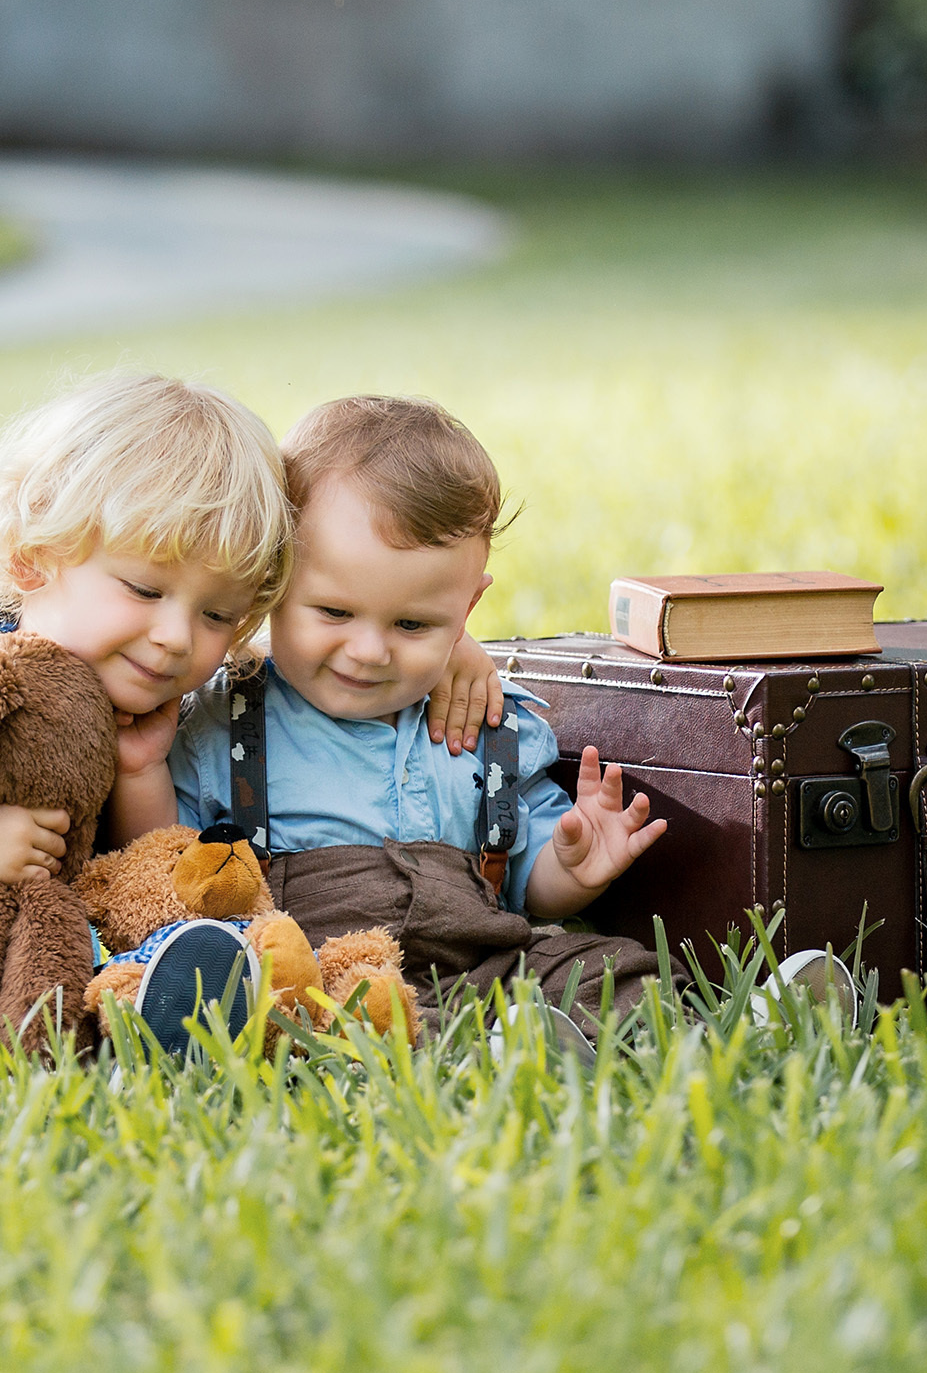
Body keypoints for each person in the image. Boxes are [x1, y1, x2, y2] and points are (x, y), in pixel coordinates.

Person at [0, 373, 504, 1064]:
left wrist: (450, 644)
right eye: (146, 590)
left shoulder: (163, 714)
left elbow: (145, 875)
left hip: (22, 995)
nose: (176, 637)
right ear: (32, 555)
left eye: (218, 615)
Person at [170, 395, 853, 1056]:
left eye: (413, 624)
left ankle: (735, 1031)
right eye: (334, 613)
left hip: (490, 958)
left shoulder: (491, 723)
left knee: (599, 967)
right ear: (275, 579)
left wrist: (574, 865)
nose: (370, 650)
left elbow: (526, 882)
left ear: (468, 606)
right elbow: (159, 857)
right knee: (345, 1013)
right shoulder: (226, 725)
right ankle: (507, 1051)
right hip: (335, 973)